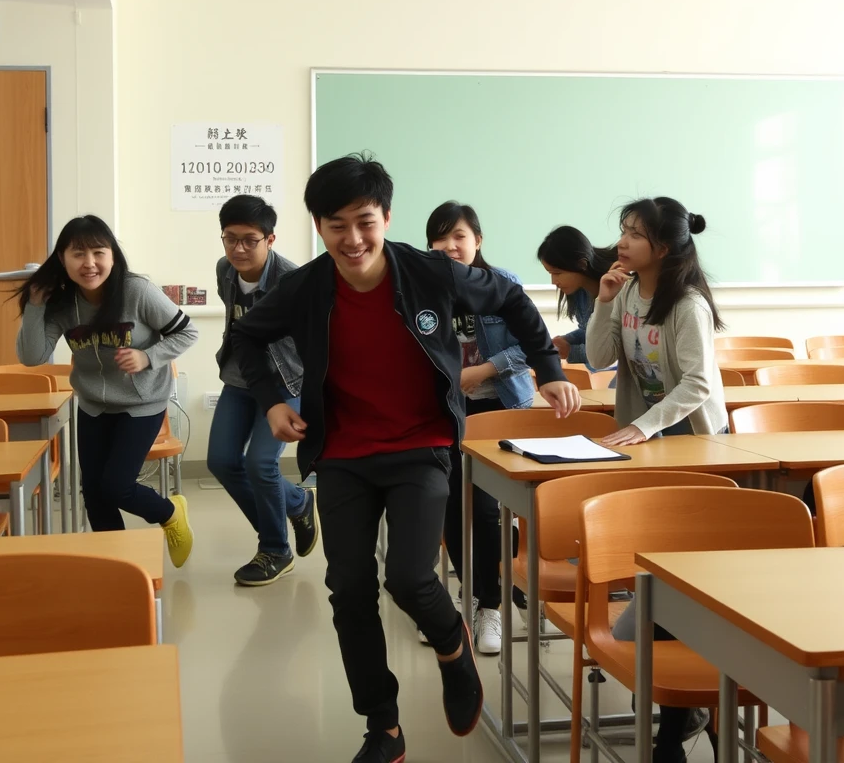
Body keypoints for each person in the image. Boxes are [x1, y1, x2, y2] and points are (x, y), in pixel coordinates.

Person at [231, 153, 581, 763]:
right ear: (318, 227)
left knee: (411, 577)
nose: (353, 238)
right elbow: (244, 339)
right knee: (350, 589)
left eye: (364, 221)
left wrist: (548, 370)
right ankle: (383, 727)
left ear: (386, 217)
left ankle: (453, 644)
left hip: (422, 445)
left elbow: (516, 301)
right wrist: (270, 401)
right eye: (336, 224)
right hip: (342, 451)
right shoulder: (307, 287)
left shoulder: (431, 273)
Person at [587, 197, 726, 763]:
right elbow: (598, 359)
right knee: (660, 573)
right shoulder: (623, 293)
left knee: (683, 579)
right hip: (646, 447)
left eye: (634, 234)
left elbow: (696, 384)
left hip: (691, 447)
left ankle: (679, 721)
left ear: (662, 249)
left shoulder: (686, 303)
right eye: (622, 230)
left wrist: (644, 427)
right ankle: (683, 713)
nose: (622, 241)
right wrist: (600, 304)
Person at [16, 215, 196, 567]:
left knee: (117, 486)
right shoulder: (62, 303)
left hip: (142, 403)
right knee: (95, 496)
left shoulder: (136, 291)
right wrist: (35, 304)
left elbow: (187, 332)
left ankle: (169, 512)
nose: (90, 263)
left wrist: (148, 356)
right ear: (62, 259)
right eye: (78, 254)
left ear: (113, 255)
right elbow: (33, 356)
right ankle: (117, 566)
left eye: (99, 252)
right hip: (94, 405)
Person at [425, 201, 534, 655]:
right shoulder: (422, 288)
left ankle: (490, 604)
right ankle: (467, 595)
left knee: (486, 511)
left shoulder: (503, 284)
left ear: (478, 241)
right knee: (450, 506)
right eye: (441, 237)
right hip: (446, 411)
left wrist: (482, 370)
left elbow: (528, 346)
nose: (450, 246)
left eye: (460, 236)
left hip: (497, 411)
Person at [207, 195, 317, 587]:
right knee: (221, 461)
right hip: (239, 379)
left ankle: (275, 549)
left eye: (249, 240)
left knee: (260, 464)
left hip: (285, 383)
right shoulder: (224, 271)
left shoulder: (293, 280)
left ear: (270, 240)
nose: (238, 248)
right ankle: (298, 502)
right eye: (230, 238)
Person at [537, 225, 617, 369]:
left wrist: (571, 351)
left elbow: (613, 348)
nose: (554, 282)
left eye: (557, 273)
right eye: (550, 273)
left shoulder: (617, 289)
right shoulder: (579, 292)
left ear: (581, 264)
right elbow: (590, 331)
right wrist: (566, 340)